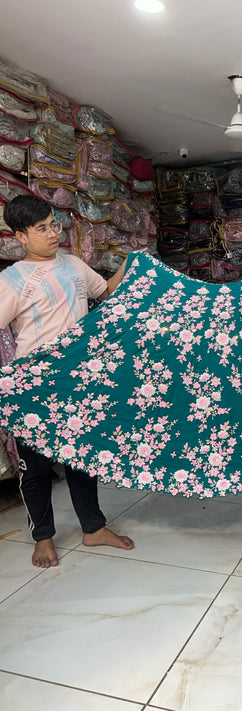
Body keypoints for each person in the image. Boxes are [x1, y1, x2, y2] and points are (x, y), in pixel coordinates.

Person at [0, 194, 135, 568]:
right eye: (41, 228)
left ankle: (93, 528)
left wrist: (131, 263)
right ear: (21, 237)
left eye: (54, 224)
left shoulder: (74, 265)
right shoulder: (11, 281)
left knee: (83, 459)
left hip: (79, 381)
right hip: (34, 388)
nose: (52, 233)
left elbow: (106, 292)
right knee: (37, 467)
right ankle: (43, 538)